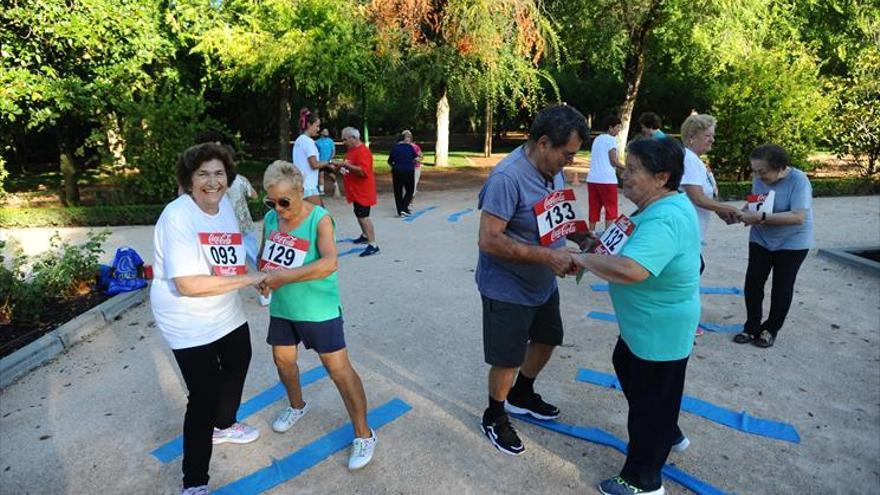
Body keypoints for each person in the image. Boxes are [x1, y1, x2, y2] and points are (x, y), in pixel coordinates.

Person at [572, 138, 700, 495]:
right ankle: (667, 428)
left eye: (632, 170)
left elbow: (632, 268)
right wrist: (593, 245)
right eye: (625, 168)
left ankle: (643, 480)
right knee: (630, 368)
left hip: (659, 329)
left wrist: (582, 261)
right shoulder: (655, 207)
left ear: (661, 177)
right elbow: (624, 248)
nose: (623, 176)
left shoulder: (667, 217)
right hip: (644, 328)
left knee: (648, 404)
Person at [150, 143, 267, 495]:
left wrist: (257, 276)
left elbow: (229, 258)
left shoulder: (226, 206)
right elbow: (187, 285)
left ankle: (224, 425)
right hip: (185, 315)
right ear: (188, 180)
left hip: (223, 306)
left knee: (238, 358)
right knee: (203, 393)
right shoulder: (178, 215)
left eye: (219, 174)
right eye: (203, 174)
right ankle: (195, 482)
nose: (212, 182)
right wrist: (248, 281)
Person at [476, 104, 590, 456]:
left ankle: (522, 393)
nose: (568, 162)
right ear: (544, 143)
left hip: (541, 280)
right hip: (507, 286)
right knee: (508, 358)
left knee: (548, 338)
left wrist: (583, 238)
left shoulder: (550, 168)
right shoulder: (507, 178)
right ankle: (494, 415)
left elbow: (559, 210)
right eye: (567, 154)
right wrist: (549, 256)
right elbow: (490, 239)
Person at [258, 161, 377, 470]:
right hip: (284, 309)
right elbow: (264, 256)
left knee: (339, 371)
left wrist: (283, 277)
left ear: (300, 192)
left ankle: (364, 433)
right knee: (283, 362)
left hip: (319, 309)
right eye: (271, 201)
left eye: (284, 201)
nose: (278, 208)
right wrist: (264, 275)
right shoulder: (271, 219)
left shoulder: (320, 219)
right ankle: (297, 406)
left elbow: (329, 264)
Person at [733, 144, 813, 348]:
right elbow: (756, 204)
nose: (758, 176)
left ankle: (770, 329)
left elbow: (798, 216)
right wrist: (737, 214)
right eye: (755, 171)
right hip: (761, 238)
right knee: (752, 284)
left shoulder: (799, 180)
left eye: (763, 172)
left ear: (780, 167)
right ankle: (751, 327)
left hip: (792, 242)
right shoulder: (759, 179)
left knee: (782, 288)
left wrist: (760, 217)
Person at [679, 113, 742, 273]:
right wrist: (728, 209)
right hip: (686, 231)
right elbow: (698, 198)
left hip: (693, 231)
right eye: (708, 135)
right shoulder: (689, 160)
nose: (712, 140)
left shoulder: (695, 160)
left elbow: (703, 197)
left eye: (713, 135)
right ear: (692, 137)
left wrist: (719, 210)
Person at [332, 127, 380, 257]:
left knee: (364, 216)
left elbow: (363, 171)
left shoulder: (363, 151)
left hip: (363, 191)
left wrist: (345, 165)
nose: (343, 142)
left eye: (345, 139)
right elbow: (348, 168)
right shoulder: (351, 151)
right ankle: (365, 236)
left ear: (354, 138)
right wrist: (339, 167)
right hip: (355, 191)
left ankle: (373, 244)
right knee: (358, 214)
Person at [587, 116, 625, 231]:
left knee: (594, 207)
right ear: (610, 128)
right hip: (607, 180)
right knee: (610, 208)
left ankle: (591, 232)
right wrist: (627, 168)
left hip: (592, 179)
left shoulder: (597, 139)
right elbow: (613, 161)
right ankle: (607, 235)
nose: (619, 130)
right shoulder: (611, 140)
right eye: (617, 127)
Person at [292, 109, 332, 206]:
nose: (318, 129)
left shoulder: (298, 140)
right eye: (317, 126)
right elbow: (314, 164)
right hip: (309, 187)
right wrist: (330, 162)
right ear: (309, 124)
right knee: (323, 219)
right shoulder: (309, 142)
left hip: (300, 186)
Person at [388, 132, 418, 216]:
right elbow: (415, 158)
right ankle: (404, 207)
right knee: (410, 190)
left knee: (398, 191)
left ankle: (400, 210)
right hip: (408, 170)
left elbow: (390, 161)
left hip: (397, 171)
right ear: (404, 139)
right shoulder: (409, 147)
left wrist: (393, 166)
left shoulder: (394, 148)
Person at [315, 128, 341, 198]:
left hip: (328, 161)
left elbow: (333, 150)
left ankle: (336, 186)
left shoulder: (330, 141)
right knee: (320, 175)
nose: (326, 132)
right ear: (321, 133)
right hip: (320, 162)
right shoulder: (317, 142)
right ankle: (321, 191)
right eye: (324, 131)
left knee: (331, 175)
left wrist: (330, 159)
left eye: (327, 131)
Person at [403, 130, 424, 196]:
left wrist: (417, 159)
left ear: (411, 138)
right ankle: (405, 202)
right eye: (405, 137)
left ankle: (410, 203)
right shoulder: (400, 147)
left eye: (408, 137)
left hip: (415, 168)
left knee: (413, 186)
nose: (406, 138)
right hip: (404, 169)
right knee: (404, 187)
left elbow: (421, 157)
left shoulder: (415, 147)